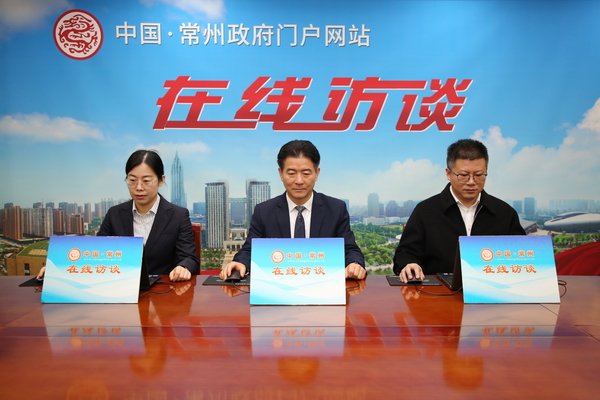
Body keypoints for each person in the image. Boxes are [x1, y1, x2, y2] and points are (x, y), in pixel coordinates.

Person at [220, 140, 366, 280]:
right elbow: (250, 249)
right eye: (291, 173)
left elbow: (349, 249)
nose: (299, 181)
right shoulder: (264, 211)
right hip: (278, 288)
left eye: (306, 173)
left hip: (322, 286)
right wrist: (241, 263)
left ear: (317, 173)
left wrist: (355, 264)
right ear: (281, 173)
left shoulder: (335, 209)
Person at [393, 138, 525, 283]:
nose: (471, 182)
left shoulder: (504, 213)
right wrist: (409, 264)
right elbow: (405, 253)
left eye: (479, 175)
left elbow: (523, 254)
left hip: (493, 290)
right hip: (438, 292)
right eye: (463, 175)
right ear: (448, 173)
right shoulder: (426, 211)